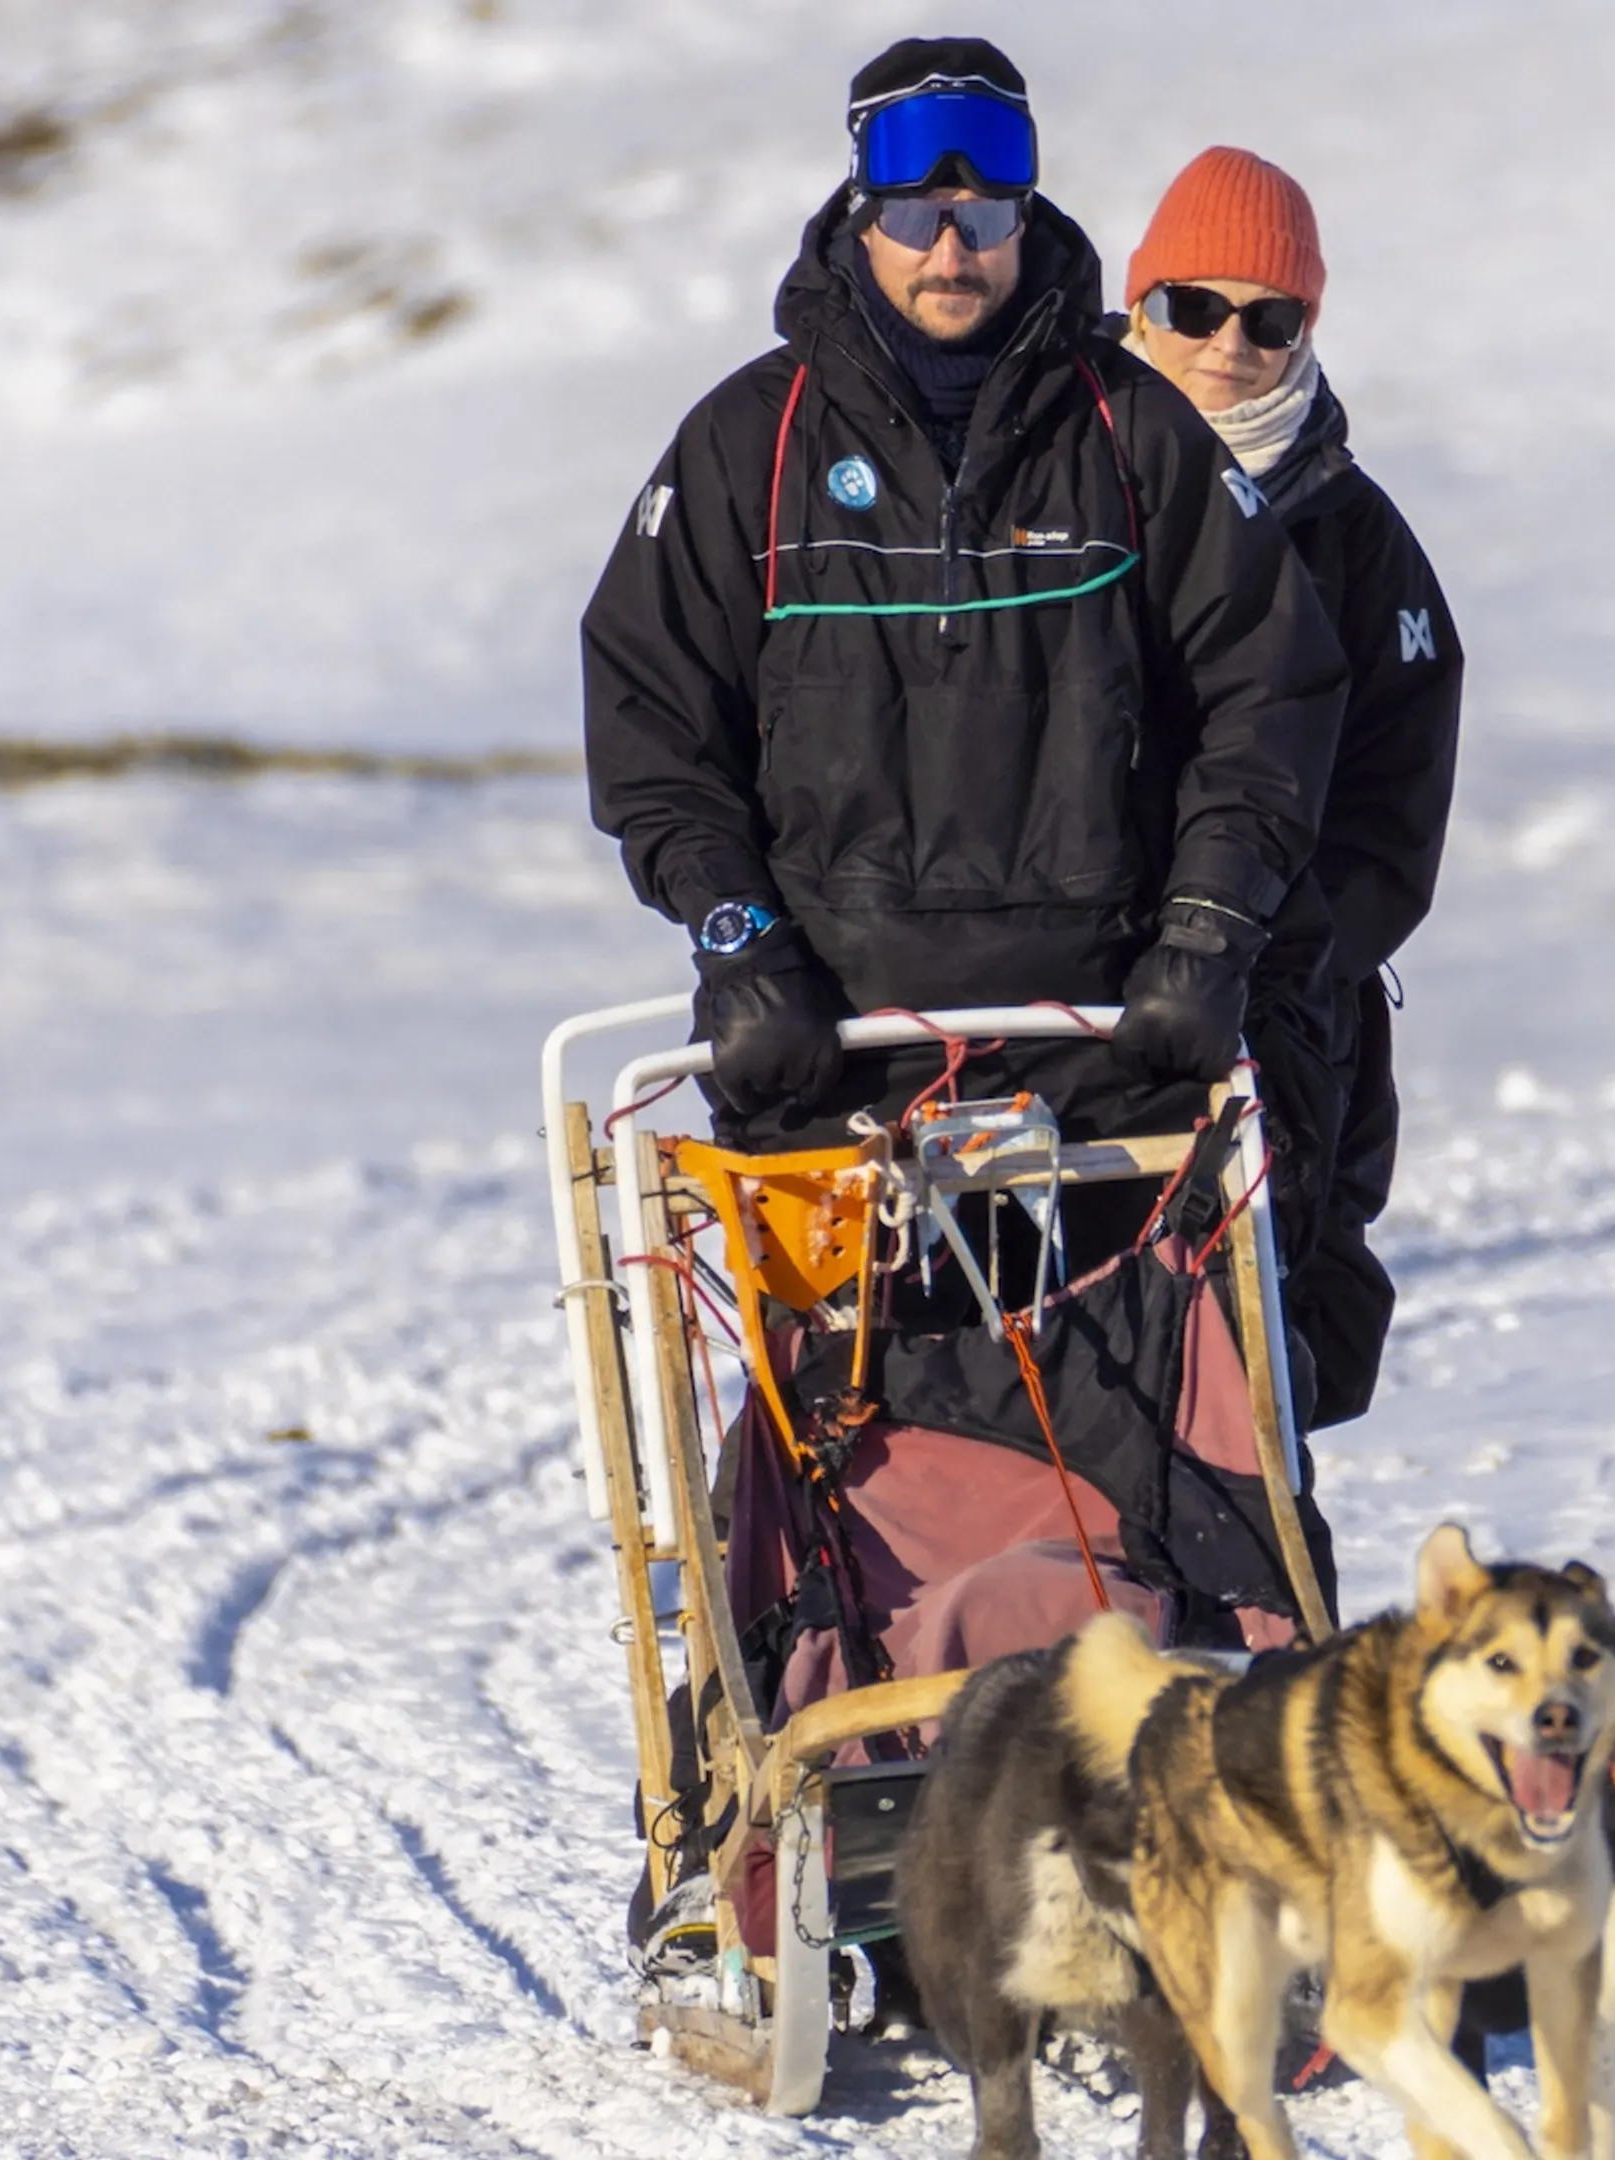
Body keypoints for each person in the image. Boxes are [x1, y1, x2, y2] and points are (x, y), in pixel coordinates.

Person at [580, 40, 1350, 1660]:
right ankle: (791, 1754)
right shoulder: (751, 444)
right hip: (829, 1048)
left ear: (1024, 209)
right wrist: (740, 946)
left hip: (1111, 1056)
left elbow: (1267, 693)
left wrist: (1206, 939)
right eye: (917, 204)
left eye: (985, 202)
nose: (953, 244)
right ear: (860, 209)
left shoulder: (1131, 431)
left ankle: (1226, 1720)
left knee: (1170, 1450)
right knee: (839, 1465)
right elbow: (656, 725)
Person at [1116, 146, 1462, 1429]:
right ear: (1140, 305)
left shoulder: (1358, 538)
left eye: (1269, 319)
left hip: (1281, 1013)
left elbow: (1395, 807)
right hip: (1065, 995)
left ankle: (1258, 1611)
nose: (1228, 346)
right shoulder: (1057, 483)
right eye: (1194, 308)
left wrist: (1276, 962)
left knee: (1262, 1357)